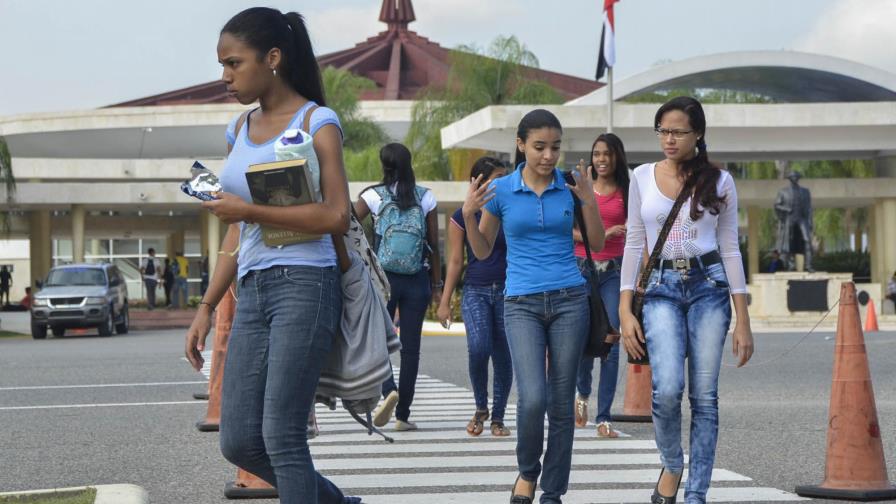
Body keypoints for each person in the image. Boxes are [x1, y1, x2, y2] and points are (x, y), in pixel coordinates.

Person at [184, 7, 360, 503]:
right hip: (253, 289)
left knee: (282, 436)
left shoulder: (316, 122)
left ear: (273, 58)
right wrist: (205, 306)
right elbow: (237, 234)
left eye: (234, 63)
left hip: (307, 283)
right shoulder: (238, 129)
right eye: (222, 64)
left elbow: (337, 216)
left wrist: (249, 209)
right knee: (239, 439)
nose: (225, 76)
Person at [463, 109, 605, 504]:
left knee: (561, 404)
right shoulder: (503, 190)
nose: (548, 155)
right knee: (533, 399)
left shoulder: (570, 185)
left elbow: (595, 239)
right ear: (521, 144)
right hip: (521, 303)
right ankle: (528, 470)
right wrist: (470, 215)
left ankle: (553, 492)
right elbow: (483, 249)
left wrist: (589, 201)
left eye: (555, 147)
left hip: (570, 300)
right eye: (539, 147)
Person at [619, 96, 754, 504]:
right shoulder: (641, 176)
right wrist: (625, 310)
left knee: (705, 397)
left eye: (678, 131)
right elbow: (633, 243)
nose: (670, 139)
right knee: (666, 391)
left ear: (698, 134)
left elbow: (730, 248)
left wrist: (743, 319)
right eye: (663, 131)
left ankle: (696, 494)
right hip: (660, 288)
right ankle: (673, 464)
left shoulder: (720, 181)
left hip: (708, 287)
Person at [354, 142, 442, 431]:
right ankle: (403, 414)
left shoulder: (372, 196)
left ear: (385, 166)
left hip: (383, 279)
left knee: (376, 339)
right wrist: (437, 286)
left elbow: (346, 226)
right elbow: (434, 246)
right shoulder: (425, 197)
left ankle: (388, 389)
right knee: (411, 349)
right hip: (417, 279)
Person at [437, 156, 512, 437]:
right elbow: (456, 261)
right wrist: (445, 302)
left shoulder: (509, 209)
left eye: (505, 178)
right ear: (478, 182)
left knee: (504, 354)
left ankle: (498, 418)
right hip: (476, 290)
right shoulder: (461, 216)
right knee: (479, 347)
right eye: (497, 178)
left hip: (508, 290)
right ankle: (481, 406)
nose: (502, 184)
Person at [572, 133, 629, 438]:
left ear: (617, 156)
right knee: (582, 338)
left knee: (611, 341)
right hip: (581, 268)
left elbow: (637, 235)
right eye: (596, 154)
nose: (601, 159)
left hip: (615, 271)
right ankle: (582, 393)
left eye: (607, 154)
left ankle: (604, 417)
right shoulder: (581, 189)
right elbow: (568, 231)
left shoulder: (627, 191)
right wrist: (604, 234)